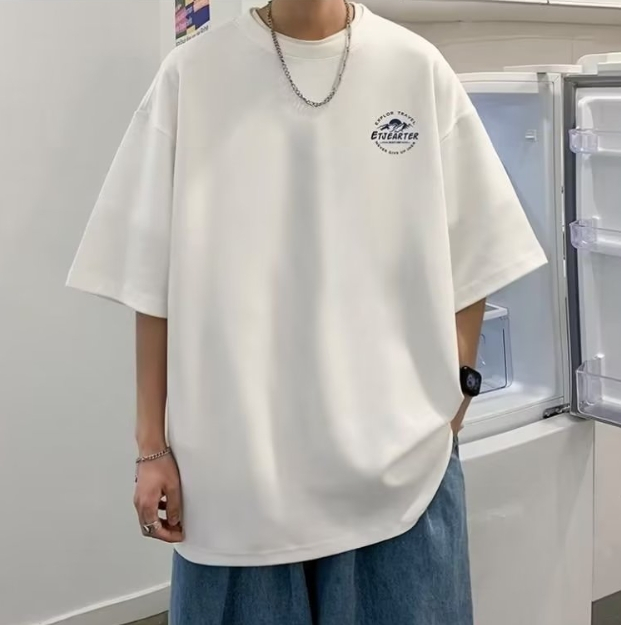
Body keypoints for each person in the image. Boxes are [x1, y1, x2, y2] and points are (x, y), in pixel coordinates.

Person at [67, 1, 547, 623]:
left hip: (399, 476)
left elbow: (478, 246)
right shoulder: (193, 76)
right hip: (237, 481)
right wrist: (150, 446)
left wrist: (457, 385)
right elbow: (149, 279)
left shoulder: (415, 67)